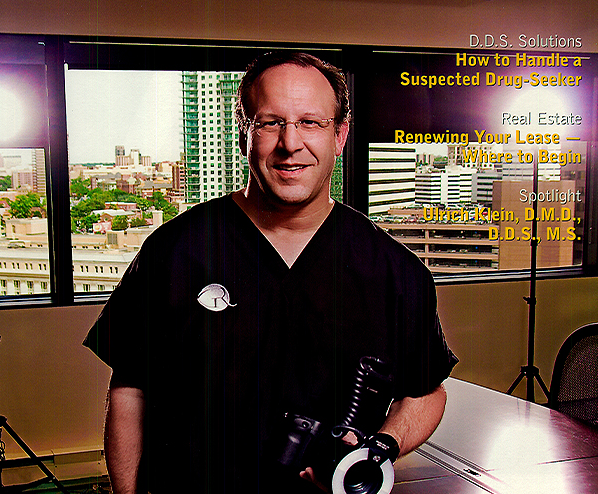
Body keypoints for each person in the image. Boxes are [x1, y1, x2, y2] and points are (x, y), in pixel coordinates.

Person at [83, 52, 458, 494]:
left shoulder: (396, 271)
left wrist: (379, 448)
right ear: (244, 132)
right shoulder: (174, 251)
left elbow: (426, 391)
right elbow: (130, 390)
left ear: (340, 135)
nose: (290, 143)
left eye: (311, 123)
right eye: (270, 123)